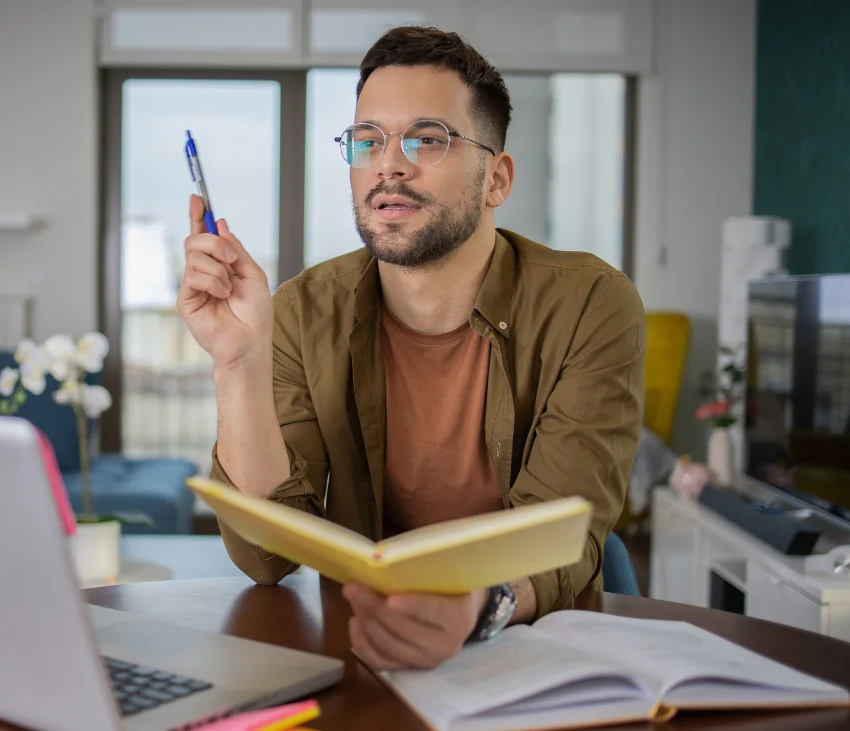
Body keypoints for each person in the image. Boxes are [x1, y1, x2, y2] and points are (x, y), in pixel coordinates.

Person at [176, 26, 644, 671]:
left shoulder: (591, 302)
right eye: (367, 141)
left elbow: (566, 532)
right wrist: (237, 363)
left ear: (496, 180)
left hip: (533, 645)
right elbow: (265, 556)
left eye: (428, 139)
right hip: (369, 644)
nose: (388, 164)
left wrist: (474, 608)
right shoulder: (301, 310)